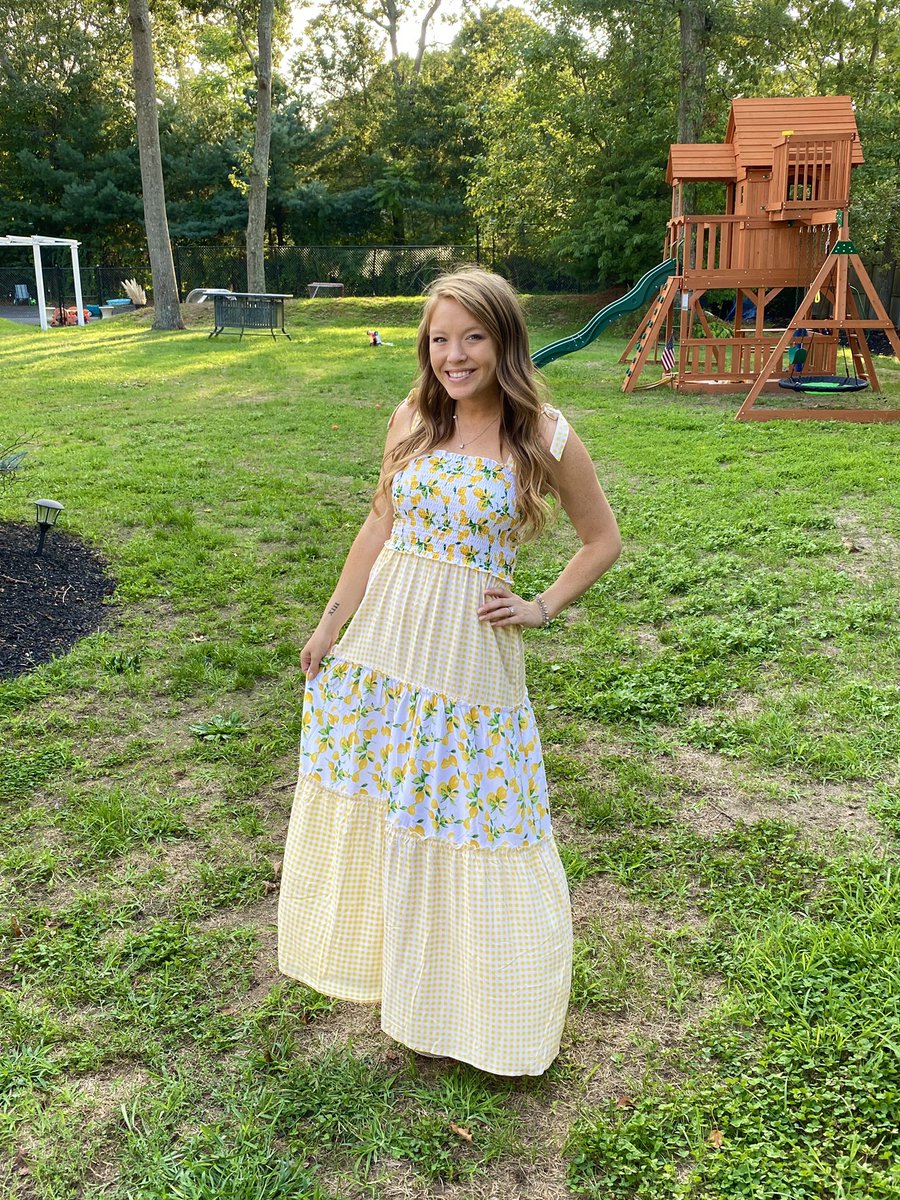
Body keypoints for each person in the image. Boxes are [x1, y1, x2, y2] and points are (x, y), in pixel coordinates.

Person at [278, 267, 621, 1076]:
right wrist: (332, 623)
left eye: (473, 337)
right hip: (388, 646)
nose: (454, 355)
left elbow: (602, 541)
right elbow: (376, 528)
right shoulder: (411, 420)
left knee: (480, 816)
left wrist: (539, 606)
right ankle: (399, 984)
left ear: (504, 341)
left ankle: (489, 1010)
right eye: (440, 338)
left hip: (470, 659)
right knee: (395, 802)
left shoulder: (544, 434)